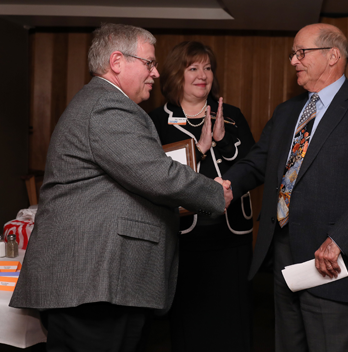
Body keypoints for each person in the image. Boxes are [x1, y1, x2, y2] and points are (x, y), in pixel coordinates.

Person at [9, 23, 232, 352]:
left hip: (100, 283)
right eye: (149, 63)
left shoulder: (105, 104)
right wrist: (215, 194)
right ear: (117, 62)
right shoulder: (106, 107)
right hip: (93, 282)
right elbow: (156, 175)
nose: (155, 73)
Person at [224, 23, 348, 351]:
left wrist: (339, 241)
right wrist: (227, 186)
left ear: (333, 56)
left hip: (332, 262)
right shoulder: (289, 111)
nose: (293, 61)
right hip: (283, 256)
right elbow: (258, 162)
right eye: (293, 53)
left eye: (300, 53)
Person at [148, 41, 255, 351]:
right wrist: (199, 149)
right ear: (175, 75)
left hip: (231, 235)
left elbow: (253, 165)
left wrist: (223, 142)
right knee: (191, 319)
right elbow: (155, 176)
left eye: (207, 68)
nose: (202, 75)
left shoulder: (231, 115)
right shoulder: (157, 121)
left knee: (233, 319)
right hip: (185, 236)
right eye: (193, 67)